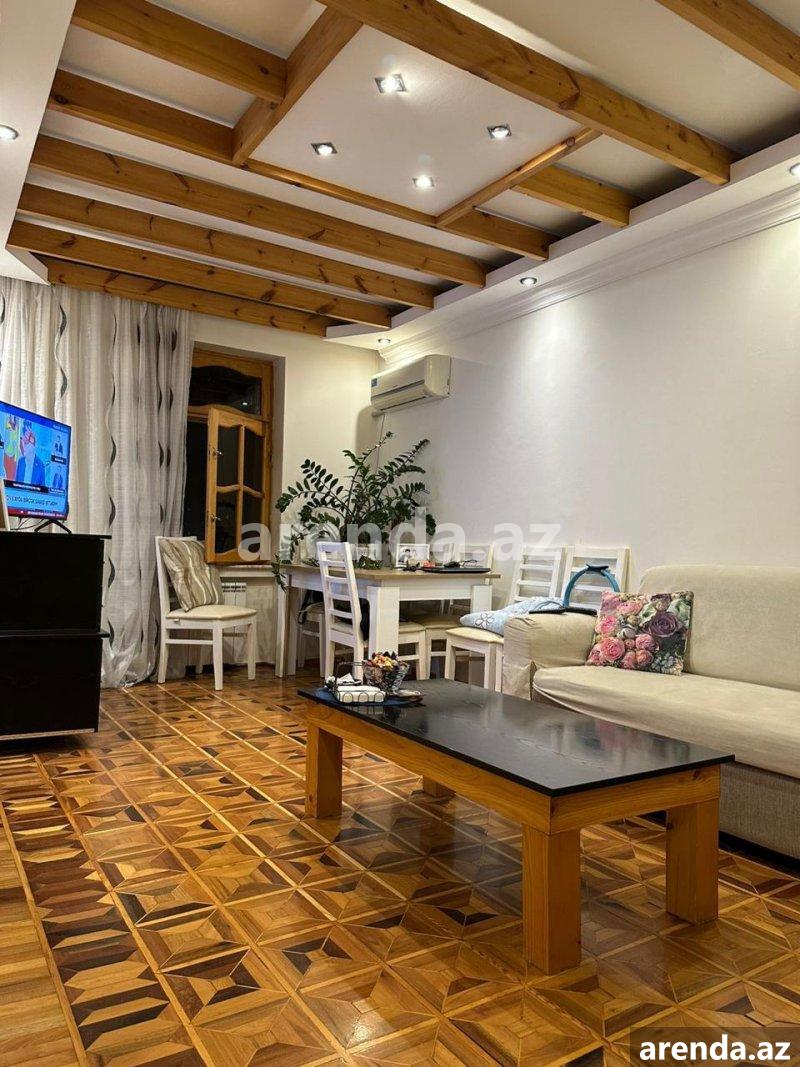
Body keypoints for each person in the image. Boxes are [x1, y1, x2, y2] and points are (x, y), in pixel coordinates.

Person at [16, 422, 46, 486]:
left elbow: (42, 489)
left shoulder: (40, 465)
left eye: (26, 442)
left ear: (33, 445)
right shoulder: (20, 461)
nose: (23, 445)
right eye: (22, 441)